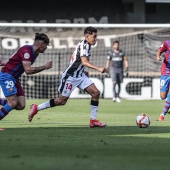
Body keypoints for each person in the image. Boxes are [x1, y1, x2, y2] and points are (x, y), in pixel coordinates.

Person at [28, 26, 108, 128]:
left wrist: (83, 71)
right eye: (94, 36)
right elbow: (84, 61)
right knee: (61, 101)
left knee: (96, 93)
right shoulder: (84, 45)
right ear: (87, 36)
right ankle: (36, 107)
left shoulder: (87, 45)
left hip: (80, 75)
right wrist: (98, 68)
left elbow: (78, 61)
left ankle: (93, 120)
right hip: (70, 76)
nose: (96, 39)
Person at [0, 33, 53, 130]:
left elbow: (16, 61)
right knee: (12, 103)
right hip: (7, 76)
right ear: (41, 44)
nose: (46, 48)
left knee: (20, 105)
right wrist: (44, 67)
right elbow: (28, 70)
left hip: (14, 78)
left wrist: (4, 62)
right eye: (46, 45)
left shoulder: (34, 53)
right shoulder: (27, 51)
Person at [157, 39, 170, 121]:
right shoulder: (167, 42)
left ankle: (162, 114)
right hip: (166, 71)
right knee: (163, 96)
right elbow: (159, 51)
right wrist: (158, 56)